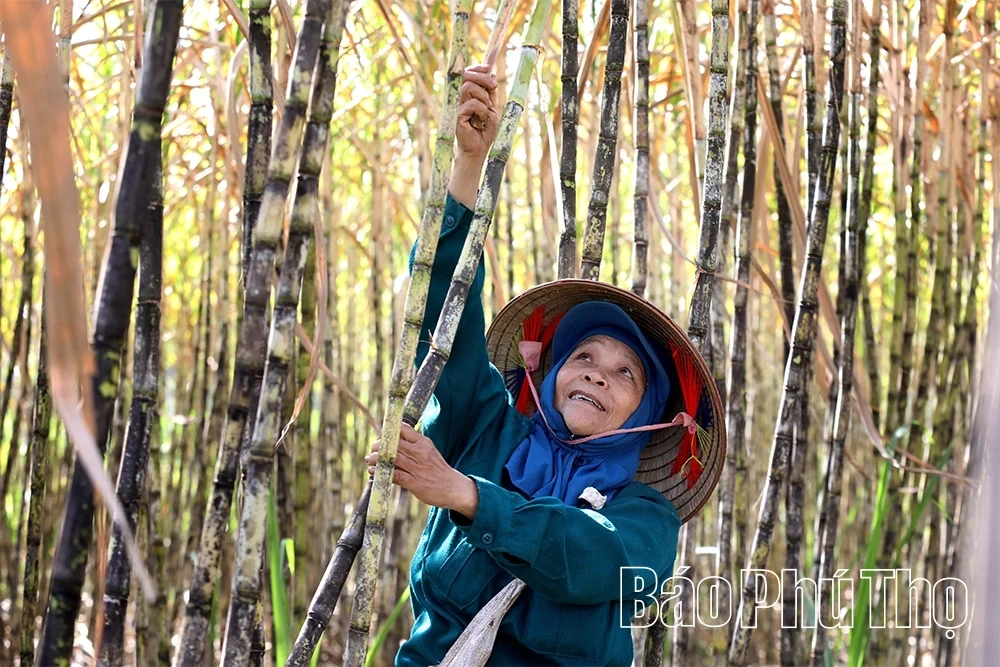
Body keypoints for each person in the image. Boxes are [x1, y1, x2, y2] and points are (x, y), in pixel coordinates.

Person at [365, 64, 724, 666]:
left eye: (624, 374)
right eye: (583, 356)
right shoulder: (488, 430)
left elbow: (588, 558)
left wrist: (465, 494)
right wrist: (467, 167)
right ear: (551, 374)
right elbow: (443, 324)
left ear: (649, 414)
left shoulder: (646, 520)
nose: (596, 374)